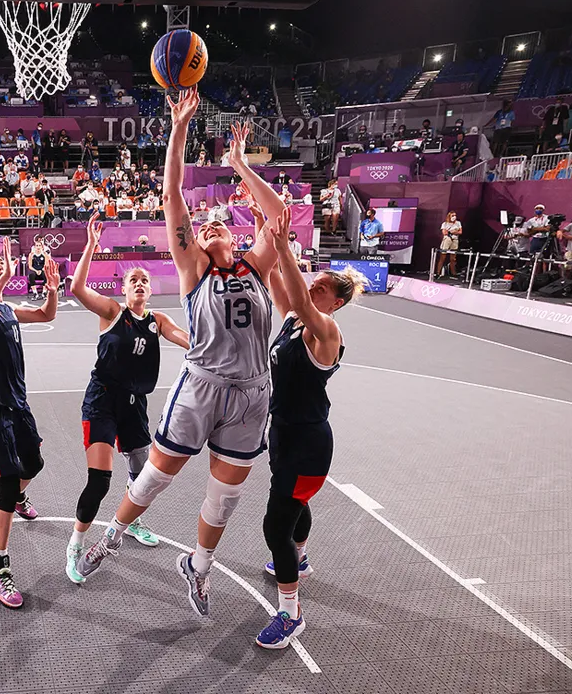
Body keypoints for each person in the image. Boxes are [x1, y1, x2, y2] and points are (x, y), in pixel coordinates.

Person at [77, 96, 286, 620]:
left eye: (220, 225)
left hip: (253, 393)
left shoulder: (257, 266)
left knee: (224, 498)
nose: (211, 227)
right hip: (203, 385)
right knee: (156, 474)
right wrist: (179, 128)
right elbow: (172, 193)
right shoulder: (194, 270)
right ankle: (113, 536)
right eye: (204, 226)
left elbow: (278, 216)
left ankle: (200, 565)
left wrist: (240, 165)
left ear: (236, 236)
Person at [256, 207, 363, 649]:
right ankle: (298, 561)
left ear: (334, 302)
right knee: (294, 505)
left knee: (273, 527)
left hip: (308, 443)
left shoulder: (327, 332)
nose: (311, 285)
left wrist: (284, 246)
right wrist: (270, 236)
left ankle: (290, 614)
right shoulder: (293, 322)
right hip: (283, 433)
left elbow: (298, 295)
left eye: (320, 286)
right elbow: (279, 282)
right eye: (312, 281)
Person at [65, 214, 189, 584]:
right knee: (100, 480)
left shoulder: (159, 321)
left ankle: (132, 523)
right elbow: (76, 288)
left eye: (144, 280)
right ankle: (75, 545)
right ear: (124, 288)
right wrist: (90, 245)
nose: (139, 283)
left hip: (135, 405)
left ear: (150, 290)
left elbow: (189, 339)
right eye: (133, 280)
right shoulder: (112, 312)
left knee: (141, 477)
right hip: (102, 400)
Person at [0, 238, 60, 608]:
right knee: (4, 485)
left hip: (17, 405)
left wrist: (51, 291)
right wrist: (2, 282)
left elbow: (47, 315)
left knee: (34, 463)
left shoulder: (8, 308)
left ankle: (20, 496)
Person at [435, 211, 463, 279]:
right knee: (443, 257)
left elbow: (460, 232)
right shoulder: (445, 224)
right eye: (452, 215)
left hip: (455, 240)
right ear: (449, 216)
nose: (454, 217)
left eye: (455, 215)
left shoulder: (458, 223)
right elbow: (444, 232)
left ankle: (453, 273)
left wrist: (454, 232)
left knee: (453, 258)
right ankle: (438, 272)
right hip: (447, 239)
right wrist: (451, 232)